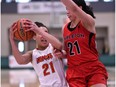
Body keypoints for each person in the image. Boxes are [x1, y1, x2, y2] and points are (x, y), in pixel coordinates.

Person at [58, 0, 108, 87]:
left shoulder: (88, 22)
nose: (67, 11)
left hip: (92, 68)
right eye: (66, 9)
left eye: (69, 8)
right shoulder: (65, 29)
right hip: (75, 73)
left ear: (80, 8)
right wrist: (62, 54)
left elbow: (75, 8)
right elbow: (69, 52)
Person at [9, 20, 68, 87]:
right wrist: (12, 41)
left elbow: (60, 45)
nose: (43, 35)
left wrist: (40, 31)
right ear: (34, 37)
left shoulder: (53, 47)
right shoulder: (33, 54)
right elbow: (20, 60)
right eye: (40, 33)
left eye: (45, 33)